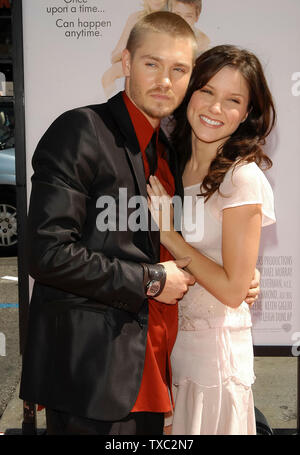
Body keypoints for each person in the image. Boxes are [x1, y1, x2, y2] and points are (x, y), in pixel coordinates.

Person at [19, 13, 259, 436]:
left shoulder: (169, 153)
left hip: (159, 372)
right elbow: (46, 253)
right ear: (127, 63)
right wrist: (148, 279)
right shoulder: (82, 130)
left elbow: (172, 247)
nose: (165, 80)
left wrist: (234, 272)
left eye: (179, 70)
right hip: (92, 378)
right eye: (152, 64)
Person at [147, 44, 276, 435]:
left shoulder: (241, 178)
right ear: (189, 91)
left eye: (233, 100)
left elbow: (233, 290)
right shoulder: (169, 159)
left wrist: (170, 235)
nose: (215, 108)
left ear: (248, 113)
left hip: (212, 359)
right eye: (207, 91)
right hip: (166, 347)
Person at [101, 0, 168, 98]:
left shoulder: (172, 16)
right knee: (109, 75)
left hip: (160, 63)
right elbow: (115, 55)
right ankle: (118, 109)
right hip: (136, 59)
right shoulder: (135, 18)